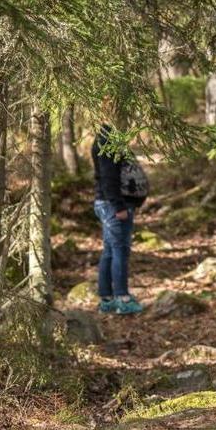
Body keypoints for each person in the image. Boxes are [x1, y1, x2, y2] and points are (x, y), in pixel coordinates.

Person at [92, 112, 147, 315]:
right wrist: (119, 206)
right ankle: (122, 298)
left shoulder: (110, 138)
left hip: (109, 204)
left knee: (110, 250)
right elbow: (108, 178)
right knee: (120, 250)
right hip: (113, 206)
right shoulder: (106, 141)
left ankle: (106, 298)